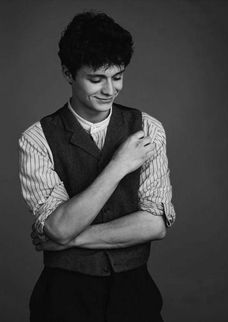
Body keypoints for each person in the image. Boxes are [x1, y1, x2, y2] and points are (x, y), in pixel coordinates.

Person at [19, 11, 176, 322]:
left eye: (117, 76)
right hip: (63, 297)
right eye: (96, 79)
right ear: (68, 73)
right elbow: (60, 226)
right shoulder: (36, 139)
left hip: (135, 294)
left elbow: (154, 225)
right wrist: (119, 166)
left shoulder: (149, 128)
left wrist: (69, 240)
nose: (110, 90)